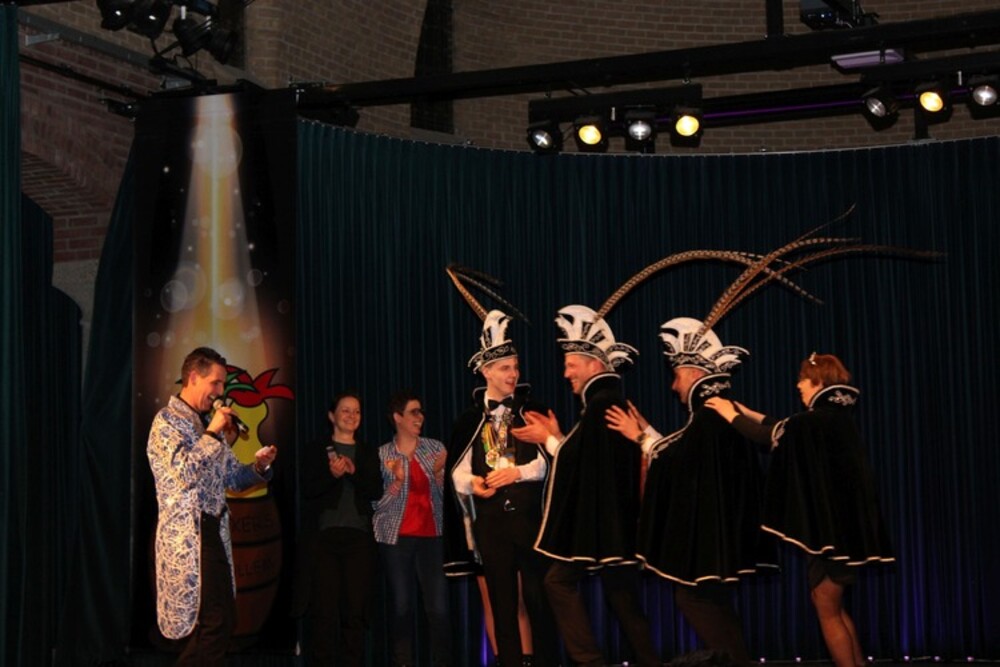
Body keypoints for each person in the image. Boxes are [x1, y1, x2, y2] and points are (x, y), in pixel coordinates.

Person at [705, 352, 895, 667]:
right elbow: (783, 429)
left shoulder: (813, 422)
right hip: (847, 532)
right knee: (834, 607)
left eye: (803, 380)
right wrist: (748, 412)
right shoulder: (833, 420)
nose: (798, 385)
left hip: (831, 535)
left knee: (826, 607)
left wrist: (729, 414)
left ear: (818, 381)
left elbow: (768, 436)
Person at [606, 317, 775, 666]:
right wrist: (648, 433)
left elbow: (680, 459)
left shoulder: (710, 414)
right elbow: (682, 449)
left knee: (693, 599)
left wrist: (639, 437)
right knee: (714, 603)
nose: (674, 385)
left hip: (711, 539)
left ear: (696, 374)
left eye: (677, 375)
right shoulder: (714, 413)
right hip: (723, 535)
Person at [514, 304, 659, 667]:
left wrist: (549, 439)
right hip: (616, 526)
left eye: (571, 365)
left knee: (558, 581)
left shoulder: (601, 404)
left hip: (607, 527)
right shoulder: (605, 401)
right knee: (622, 597)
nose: (566, 373)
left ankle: (590, 661)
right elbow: (590, 460)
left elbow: (579, 461)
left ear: (594, 365)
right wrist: (559, 438)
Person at [146, 346, 277, 666]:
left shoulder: (204, 425)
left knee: (224, 619)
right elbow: (183, 473)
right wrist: (212, 432)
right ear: (193, 377)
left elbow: (233, 478)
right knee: (214, 621)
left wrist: (259, 467)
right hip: (188, 536)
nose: (220, 392)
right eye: (215, 383)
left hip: (212, 532)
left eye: (222, 384)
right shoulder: (167, 421)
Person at [449, 309, 559, 667]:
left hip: (530, 521)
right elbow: (458, 472)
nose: (513, 374)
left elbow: (550, 461)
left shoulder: (533, 411)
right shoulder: (469, 420)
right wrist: (474, 484)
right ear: (487, 372)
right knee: (502, 604)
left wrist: (517, 474)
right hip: (492, 524)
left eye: (516, 367)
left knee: (539, 599)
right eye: (505, 368)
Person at [295, 391, 383, 666]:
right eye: (345, 410)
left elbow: (375, 490)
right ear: (332, 416)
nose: (351, 416)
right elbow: (308, 489)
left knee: (354, 611)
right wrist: (331, 475)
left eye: (356, 411)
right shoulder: (315, 449)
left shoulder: (367, 451)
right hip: (323, 540)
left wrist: (353, 473)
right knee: (324, 611)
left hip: (358, 540)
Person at [373, 390, 453, 667]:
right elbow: (377, 505)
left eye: (421, 412)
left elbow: (449, 498)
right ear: (398, 417)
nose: (420, 417)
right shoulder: (383, 454)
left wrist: (440, 475)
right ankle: (402, 662)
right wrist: (396, 482)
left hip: (432, 537)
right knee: (401, 607)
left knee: (439, 608)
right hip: (396, 538)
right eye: (413, 412)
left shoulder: (434, 448)